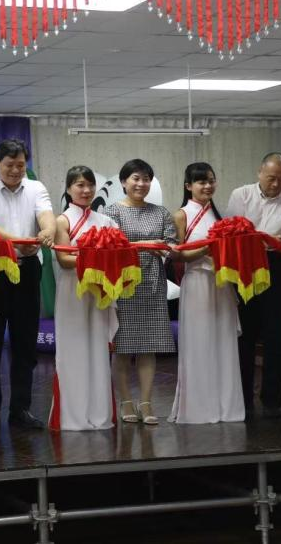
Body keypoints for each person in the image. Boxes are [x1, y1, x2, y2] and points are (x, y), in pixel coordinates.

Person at [0, 139, 55, 430]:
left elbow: (46, 215)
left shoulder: (36, 187)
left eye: (20, 165)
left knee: (25, 342)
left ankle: (20, 409)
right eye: (10, 165)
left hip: (28, 270)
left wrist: (46, 232)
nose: (16, 170)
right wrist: (19, 243)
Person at [227, 152, 281, 417]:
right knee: (246, 334)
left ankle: (272, 398)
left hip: (277, 267)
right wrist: (268, 239)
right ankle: (243, 397)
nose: (276, 184)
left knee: (275, 335)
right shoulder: (241, 195)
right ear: (259, 173)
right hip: (246, 266)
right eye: (271, 178)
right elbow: (233, 233)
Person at [168, 162, 245, 424]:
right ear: (188, 186)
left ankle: (227, 407)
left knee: (224, 343)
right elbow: (177, 254)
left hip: (221, 284)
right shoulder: (181, 215)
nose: (207, 186)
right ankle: (199, 409)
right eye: (201, 181)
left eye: (211, 180)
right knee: (199, 343)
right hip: (197, 282)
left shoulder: (219, 216)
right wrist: (206, 249)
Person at [103, 159, 177, 426]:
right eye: (136, 178)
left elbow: (171, 244)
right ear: (124, 182)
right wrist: (146, 245)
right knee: (123, 347)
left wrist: (165, 249)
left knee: (149, 346)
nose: (141, 184)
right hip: (123, 285)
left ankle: (146, 402)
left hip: (153, 284)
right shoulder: (111, 213)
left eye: (146, 179)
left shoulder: (161, 213)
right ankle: (125, 401)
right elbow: (111, 247)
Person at [49, 166, 118, 431]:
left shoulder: (106, 222)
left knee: (98, 350)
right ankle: (73, 417)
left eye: (90, 185)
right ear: (68, 189)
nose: (86, 190)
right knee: (73, 349)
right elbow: (64, 260)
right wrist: (96, 256)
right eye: (79, 185)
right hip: (73, 289)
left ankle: (99, 413)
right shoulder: (62, 221)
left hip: (98, 290)